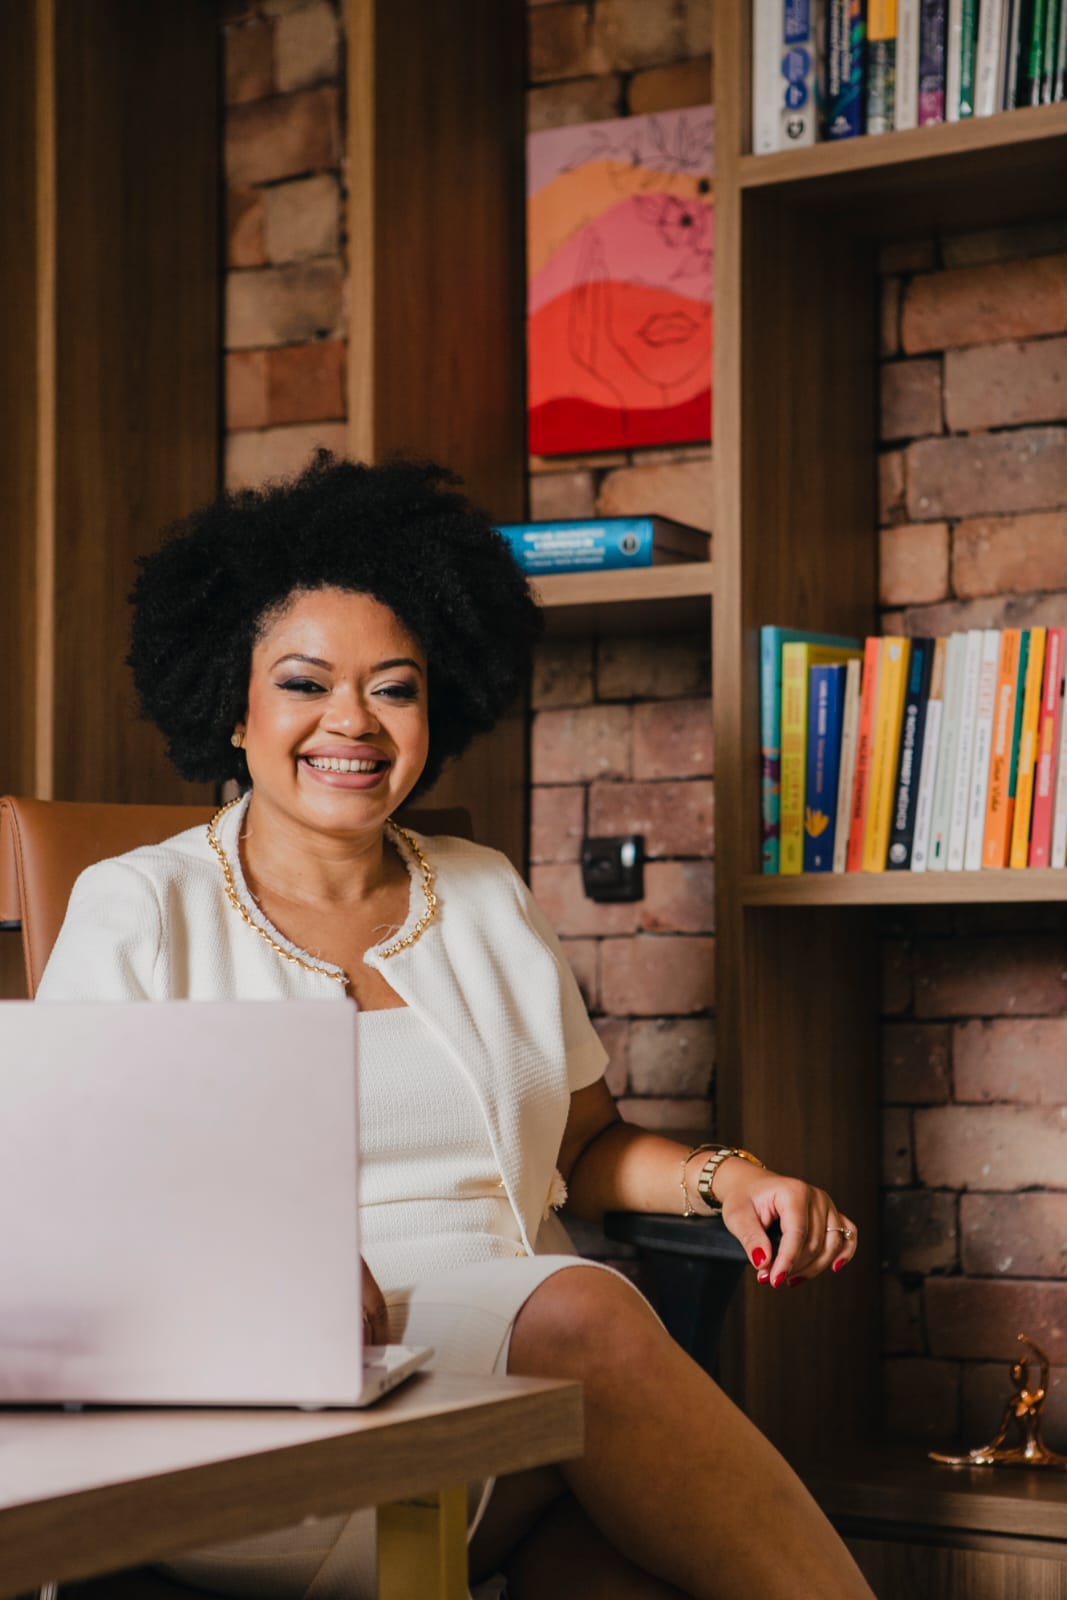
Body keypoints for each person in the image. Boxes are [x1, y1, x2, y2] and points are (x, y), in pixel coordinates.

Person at [38, 455, 874, 1600]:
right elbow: (66, 1202)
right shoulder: (142, 905)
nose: (353, 721)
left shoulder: (482, 892)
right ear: (230, 707)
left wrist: (727, 1179)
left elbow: (582, 1149)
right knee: (583, 1314)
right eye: (303, 683)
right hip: (271, 1410)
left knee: (620, 1571)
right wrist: (266, 1277)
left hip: (513, 1405)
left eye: (394, 686)